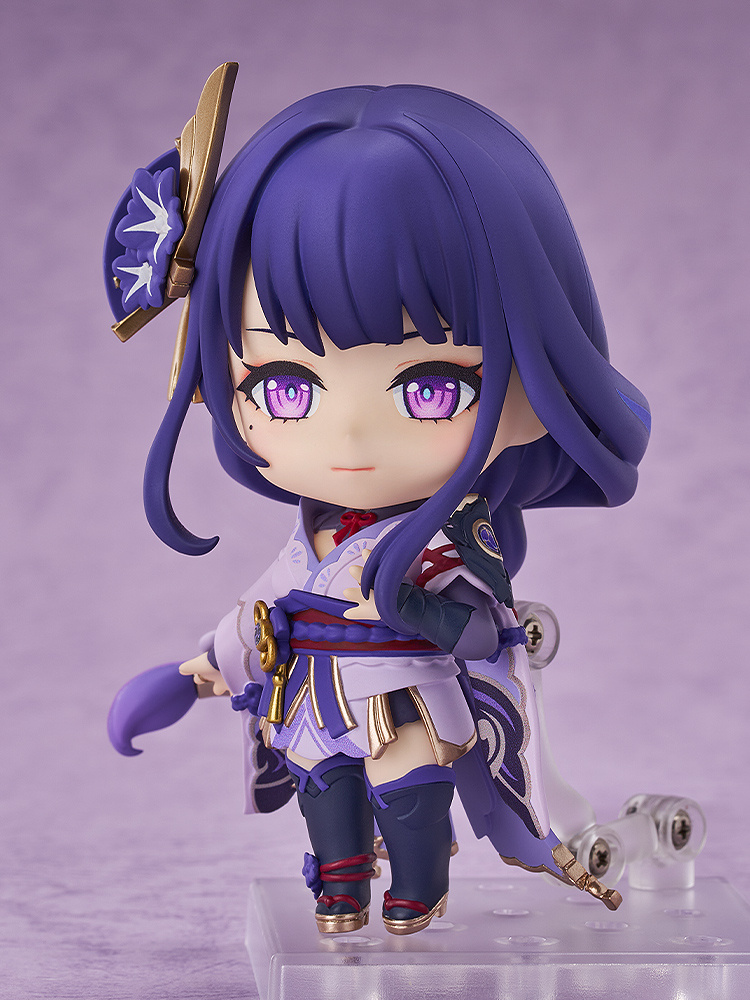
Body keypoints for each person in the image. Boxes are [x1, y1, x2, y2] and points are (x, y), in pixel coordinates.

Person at [105, 70, 650, 935]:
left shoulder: (452, 540)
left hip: (410, 692)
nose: (350, 437)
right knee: (325, 796)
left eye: (431, 387)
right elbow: (266, 613)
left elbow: (483, 634)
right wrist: (188, 676)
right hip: (314, 696)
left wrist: (410, 607)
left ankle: (418, 890)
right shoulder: (310, 541)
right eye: (285, 387)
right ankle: (339, 890)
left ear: (536, 389)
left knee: (409, 792)